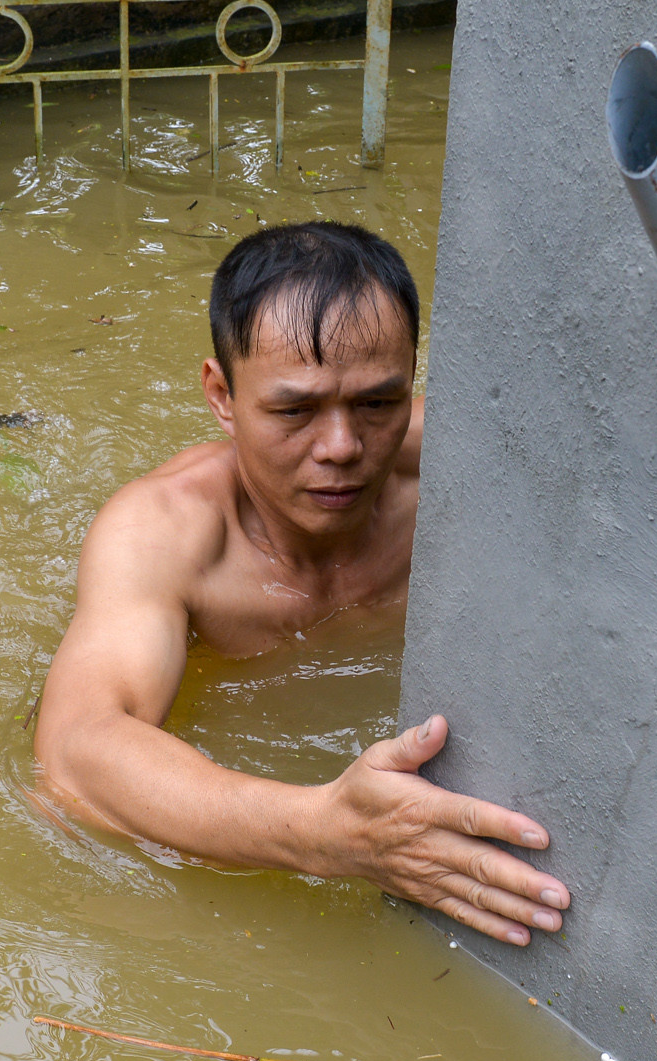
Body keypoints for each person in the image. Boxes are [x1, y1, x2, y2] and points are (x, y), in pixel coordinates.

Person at [33, 221, 567, 946]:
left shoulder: (453, 477)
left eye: (378, 404)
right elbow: (76, 753)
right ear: (221, 396)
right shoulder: (165, 533)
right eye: (294, 410)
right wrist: (322, 830)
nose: (343, 448)